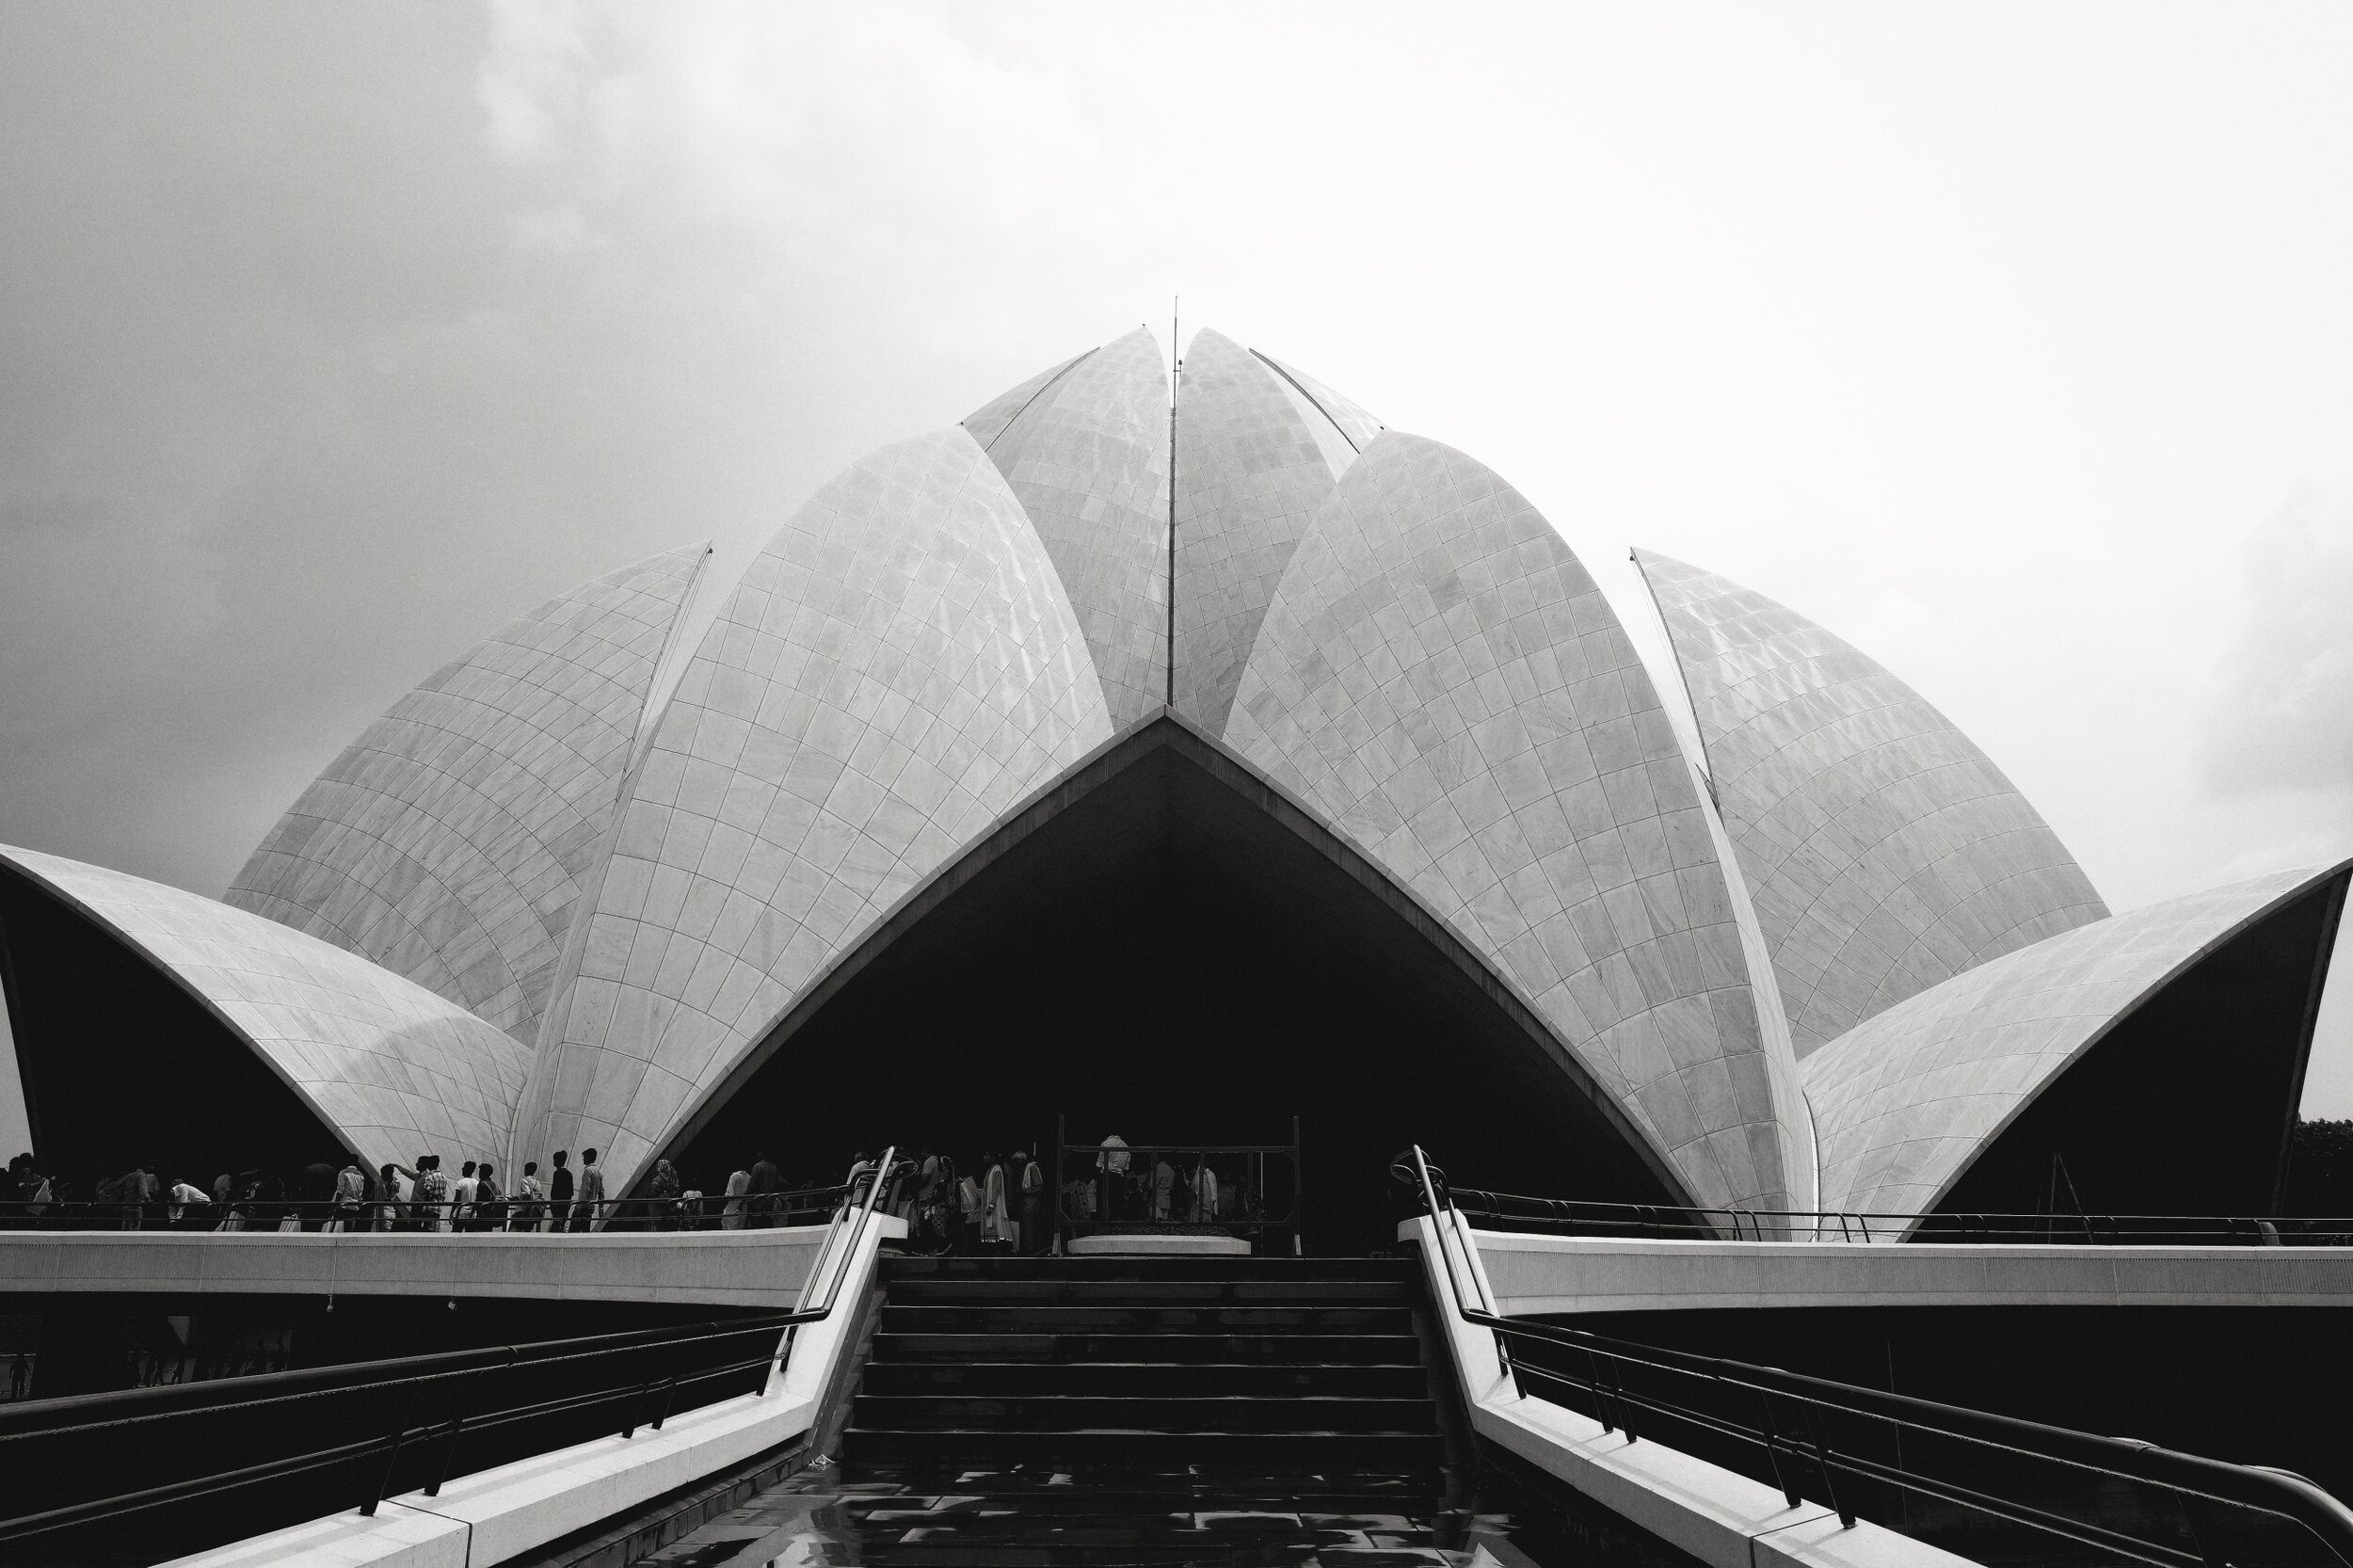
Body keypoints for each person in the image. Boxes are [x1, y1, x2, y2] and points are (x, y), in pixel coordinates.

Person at [1013, 1151, 1042, 1254]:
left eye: (1018, 1161)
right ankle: (1025, 1251)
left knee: (1029, 1230)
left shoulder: (1031, 1168)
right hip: (1024, 1205)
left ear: (1023, 1160)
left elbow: (1038, 1186)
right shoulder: (1022, 1170)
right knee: (1024, 1230)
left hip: (1030, 1205)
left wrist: (1024, 1192)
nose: (1016, 1163)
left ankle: (1029, 1252)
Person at [410, 1156, 449, 1232]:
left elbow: (427, 1192)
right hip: (438, 1208)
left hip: (429, 1208)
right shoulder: (444, 1177)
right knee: (432, 1229)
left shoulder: (429, 1177)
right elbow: (444, 1192)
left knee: (425, 1229)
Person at [1096, 1135, 1129, 1221]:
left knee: (1102, 1199)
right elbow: (1126, 1167)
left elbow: (1099, 1163)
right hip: (1118, 1175)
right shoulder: (1125, 1145)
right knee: (1116, 1201)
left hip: (1105, 1173)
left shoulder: (1105, 1143)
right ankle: (1113, 1221)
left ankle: (1101, 1221)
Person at [571, 1148, 605, 1232]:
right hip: (591, 1205)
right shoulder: (598, 1172)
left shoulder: (588, 1171)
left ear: (589, 1157)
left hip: (583, 1206)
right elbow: (601, 1191)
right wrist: (601, 1208)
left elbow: (585, 1189)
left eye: (585, 1157)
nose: (583, 1159)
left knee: (574, 1231)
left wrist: (579, 1206)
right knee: (586, 1229)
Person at [330, 1160, 365, 1232]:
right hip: (354, 1206)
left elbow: (340, 1191)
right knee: (349, 1231)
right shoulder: (361, 1175)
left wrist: (333, 1205)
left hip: (343, 1206)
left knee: (336, 1230)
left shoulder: (343, 1173)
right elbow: (359, 1194)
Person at [746, 1152, 779, 1229]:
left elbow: (752, 1184)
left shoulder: (757, 1166)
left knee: (757, 1223)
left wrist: (747, 1197)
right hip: (770, 1200)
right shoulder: (774, 1167)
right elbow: (777, 1184)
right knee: (767, 1223)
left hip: (758, 1200)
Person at [510, 1160, 544, 1232]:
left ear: (527, 1170)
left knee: (515, 1225)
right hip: (533, 1210)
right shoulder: (537, 1182)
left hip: (524, 1209)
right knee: (528, 1229)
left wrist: (519, 1198)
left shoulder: (524, 1180)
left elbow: (527, 1192)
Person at [647, 1159, 680, 1230]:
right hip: (663, 1210)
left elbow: (652, 1193)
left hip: (659, 1212)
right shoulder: (668, 1178)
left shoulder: (659, 1179)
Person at [547, 1151, 573, 1234]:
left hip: (557, 1205)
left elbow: (555, 1190)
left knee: (556, 1225)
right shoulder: (569, 1174)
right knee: (561, 1225)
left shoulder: (557, 1173)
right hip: (565, 1204)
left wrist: (552, 1202)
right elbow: (570, 1191)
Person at [450, 1160, 479, 1232]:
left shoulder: (460, 1183)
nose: (462, 1169)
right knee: (469, 1238)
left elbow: (457, 1199)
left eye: (464, 1167)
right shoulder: (477, 1183)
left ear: (466, 1169)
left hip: (461, 1213)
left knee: (455, 1235)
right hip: (472, 1215)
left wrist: (451, 1214)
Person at [1190, 1157, 1219, 1225]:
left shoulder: (1203, 1177)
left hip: (1204, 1206)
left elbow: (1211, 1191)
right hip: (1207, 1205)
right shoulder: (1210, 1174)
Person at [474, 1162, 504, 1229]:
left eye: (480, 1171)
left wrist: (473, 1212)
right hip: (492, 1215)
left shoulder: (481, 1184)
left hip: (483, 1214)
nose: (479, 1173)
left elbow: (478, 1200)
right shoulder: (494, 1184)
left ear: (483, 1173)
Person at [721, 1164, 750, 1230]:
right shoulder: (748, 1177)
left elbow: (729, 1194)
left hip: (732, 1210)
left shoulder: (734, 1176)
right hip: (743, 1210)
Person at [1152, 1154, 1176, 1222]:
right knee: (1165, 1223)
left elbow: (1152, 1185)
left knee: (1157, 1223)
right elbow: (1172, 1187)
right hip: (1167, 1200)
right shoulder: (1171, 1171)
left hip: (1158, 1199)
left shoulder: (1158, 1168)